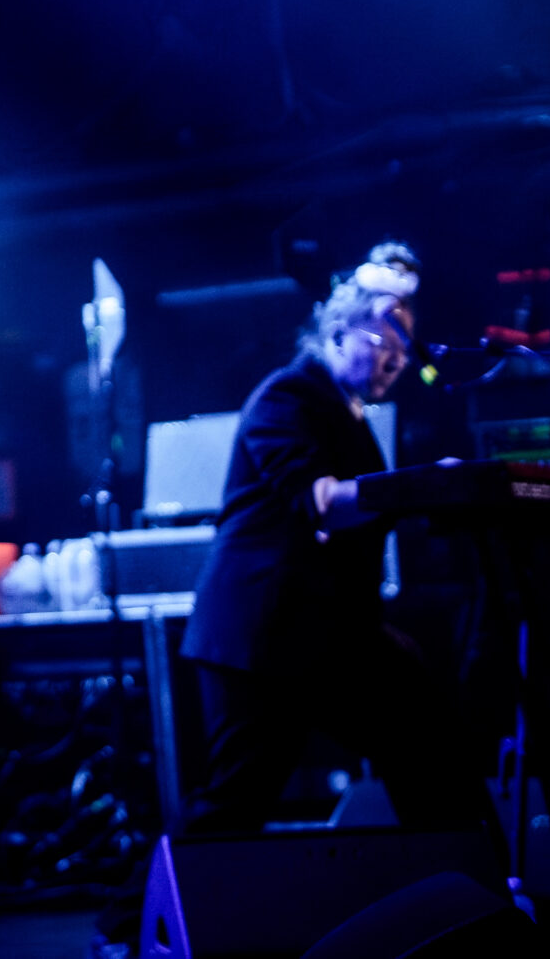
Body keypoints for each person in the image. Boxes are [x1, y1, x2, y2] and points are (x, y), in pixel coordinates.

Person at [176, 242, 484, 832]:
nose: (395, 362)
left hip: (321, 634)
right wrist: (418, 487)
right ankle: (127, 923)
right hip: (260, 637)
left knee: (419, 739)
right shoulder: (288, 397)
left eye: (403, 350)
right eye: (382, 344)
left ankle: (464, 884)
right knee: (237, 796)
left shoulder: (351, 412)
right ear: (339, 331)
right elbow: (320, 504)